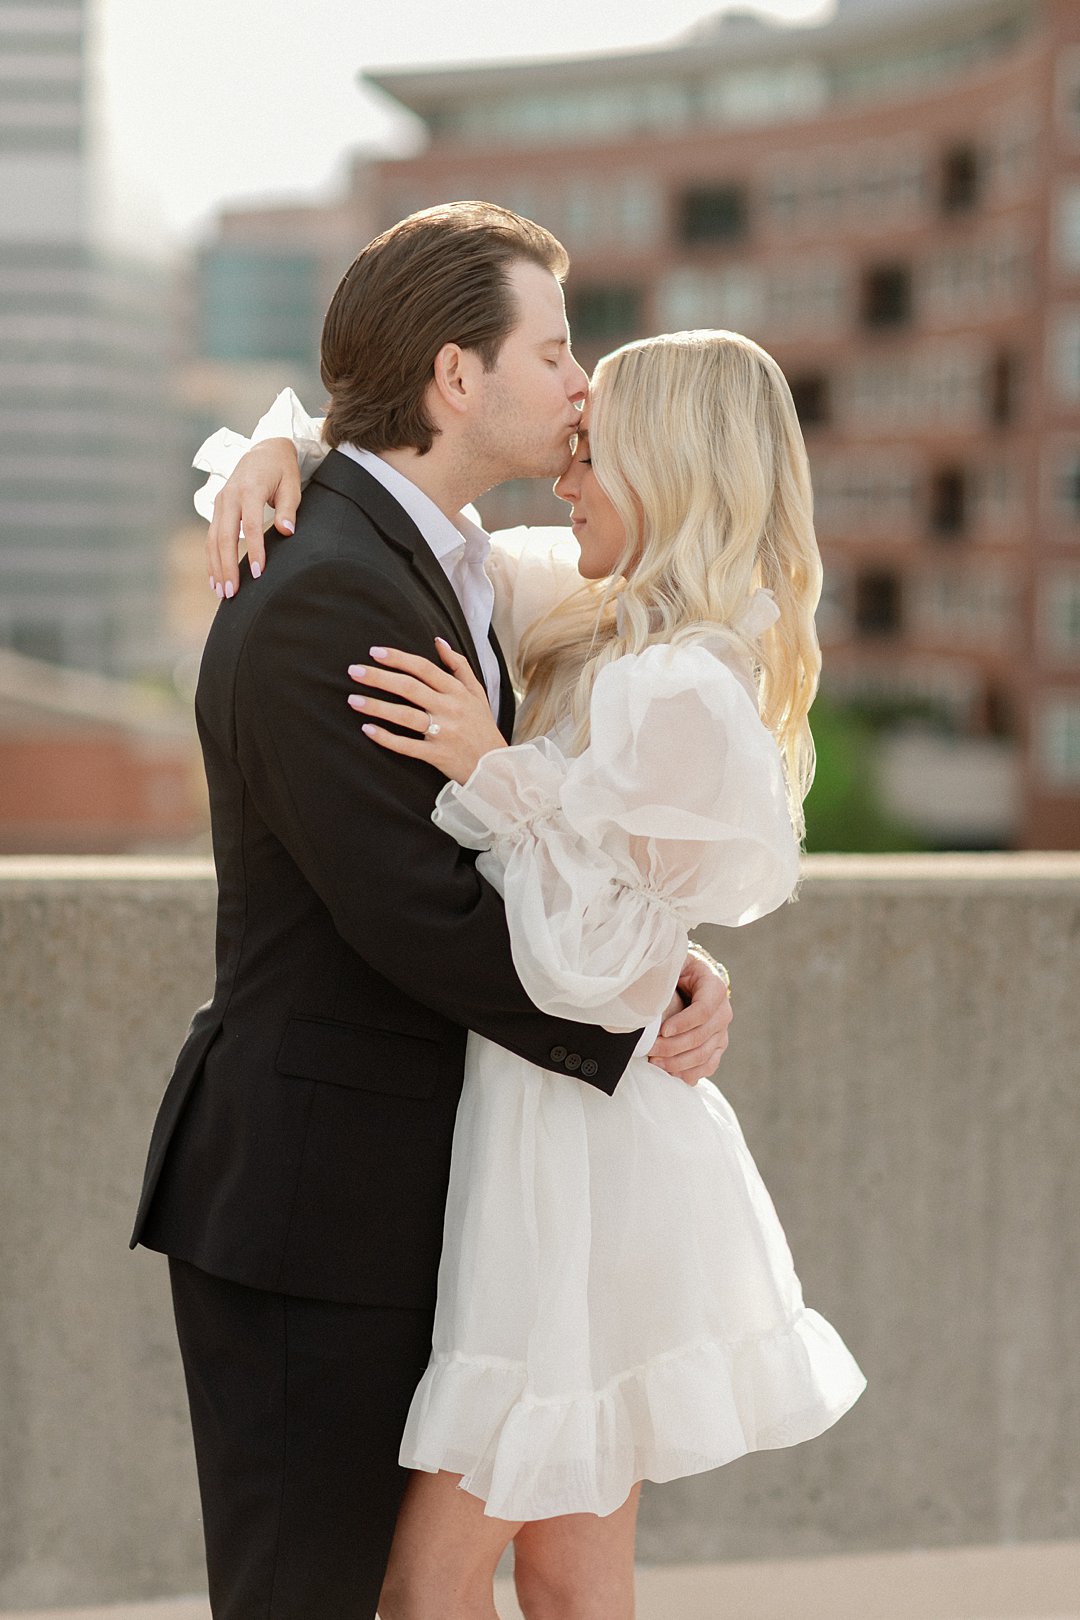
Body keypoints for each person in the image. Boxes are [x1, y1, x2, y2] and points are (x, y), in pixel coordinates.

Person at [198, 325, 866, 1619]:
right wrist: (284, 448)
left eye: (590, 455)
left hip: (583, 1170)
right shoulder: (594, 602)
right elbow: (421, 532)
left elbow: (594, 956)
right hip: (556, 1135)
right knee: (570, 1572)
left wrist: (487, 767)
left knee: (429, 1581)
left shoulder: (686, 685)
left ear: (667, 471)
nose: (563, 478)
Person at [131, 201, 735, 1620]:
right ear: (457, 378)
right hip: (315, 1199)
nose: (581, 384)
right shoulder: (327, 591)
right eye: (556, 350)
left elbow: (518, 852)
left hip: (419, 1189)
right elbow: (419, 912)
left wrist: (664, 954)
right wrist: (634, 1002)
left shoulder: (444, 559)